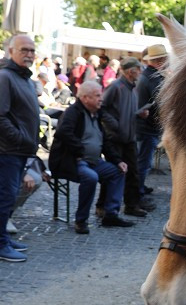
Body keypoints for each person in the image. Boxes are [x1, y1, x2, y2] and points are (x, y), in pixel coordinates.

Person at [48, 80, 134, 233]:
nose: (101, 98)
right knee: (91, 177)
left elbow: (105, 142)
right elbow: (63, 133)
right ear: (85, 98)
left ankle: (111, 214)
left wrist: (118, 160)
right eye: (97, 95)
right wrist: (80, 151)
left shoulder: (96, 113)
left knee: (118, 171)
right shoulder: (73, 112)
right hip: (74, 161)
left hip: (93, 161)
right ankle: (81, 220)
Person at [0, 34, 41, 261]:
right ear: (11, 51)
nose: (29, 54)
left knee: (8, 198)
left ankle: (3, 237)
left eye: (32, 51)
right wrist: (20, 139)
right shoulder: (5, 76)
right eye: (24, 50)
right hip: (8, 151)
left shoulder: (23, 78)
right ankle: (0, 244)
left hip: (19, 151)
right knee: (4, 198)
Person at [100, 57, 150, 216]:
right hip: (115, 138)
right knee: (113, 172)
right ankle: (102, 206)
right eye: (139, 69)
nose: (141, 72)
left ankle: (131, 205)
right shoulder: (115, 86)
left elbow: (128, 112)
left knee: (133, 172)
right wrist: (115, 124)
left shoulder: (133, 88)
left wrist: (140, 114)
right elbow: (102, 108)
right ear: (131, 71)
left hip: (129, 137)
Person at [135, 43, 168, 201]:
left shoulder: (149, 75)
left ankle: (140, 187)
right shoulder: (153, 77)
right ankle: (138, 192)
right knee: (144, 163)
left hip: (146, 125)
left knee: (143, 160)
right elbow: (161, 101)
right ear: (160, 60)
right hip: (147, 126)